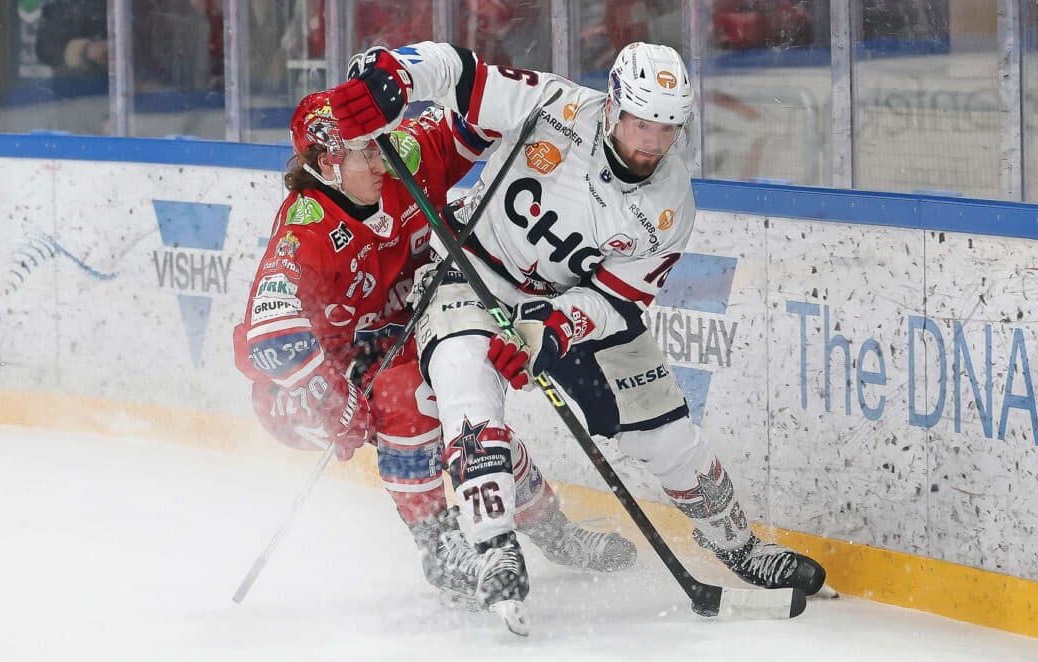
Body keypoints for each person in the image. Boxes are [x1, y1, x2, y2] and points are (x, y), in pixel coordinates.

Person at [327, 41, 827, 621]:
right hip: (470, 270)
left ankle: (736, 544)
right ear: (613, 105)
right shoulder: (551, 104)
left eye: (666, 130)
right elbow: (459, 73)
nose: (651, 143)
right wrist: (395, 73)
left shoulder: (671, 206)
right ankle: (494, 545)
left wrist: (553, 330)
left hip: (568, 305)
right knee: (466, 387)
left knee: (665, 438)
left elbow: (620, 298)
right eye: (641, 122)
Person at [232, 87, 635, 609]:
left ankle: (552, 531)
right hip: (307, 385)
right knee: (411, 396)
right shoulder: (304, 230)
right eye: (365, 151)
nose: (383, 157)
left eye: (381, 143)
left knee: (476, 430)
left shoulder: (404, 155)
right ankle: (439, 546)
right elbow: (270, 340)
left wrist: (548, 110)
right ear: (327, 164)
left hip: (395, 341)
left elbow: (480, 111)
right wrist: (329, 396)